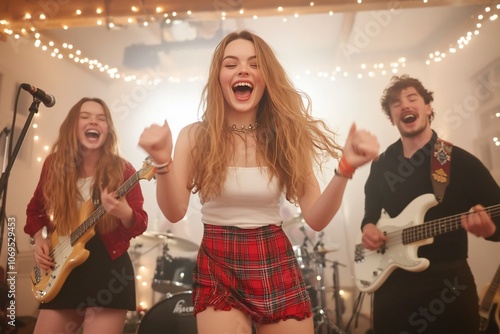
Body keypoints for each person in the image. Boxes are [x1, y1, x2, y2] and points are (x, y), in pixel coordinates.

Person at [138, 29, 379, 334]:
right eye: (231, 64)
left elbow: (316, 218)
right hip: (218, 258)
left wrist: (345, 168)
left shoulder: (287, 136)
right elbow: (174, 212)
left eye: (254, 64)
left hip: (273, 257)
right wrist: (162, 162)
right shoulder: (194, 136)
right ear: (219, 78)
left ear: (266, 78)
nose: (243, 70)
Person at [360, 75, 500, 333]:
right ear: (392, 117)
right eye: (396, 103)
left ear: (428, 108)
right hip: (392, 287)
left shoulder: (460, 161)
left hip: (448, 286)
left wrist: (490, 230)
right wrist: (368, 227)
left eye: (412, 98)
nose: (405, 105)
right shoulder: (381, 165)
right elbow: (370, 213)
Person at [25, 97, 148, 334]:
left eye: (101, 119)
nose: (94, 122)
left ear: (107, 130)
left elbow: (139, 223)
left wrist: (125, 213)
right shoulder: (54, 165)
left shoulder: (124, 170)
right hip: (62, 267)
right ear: (73, 125)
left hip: (109, 271)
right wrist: (39, 239)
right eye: (85, 117)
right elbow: (35, 210)